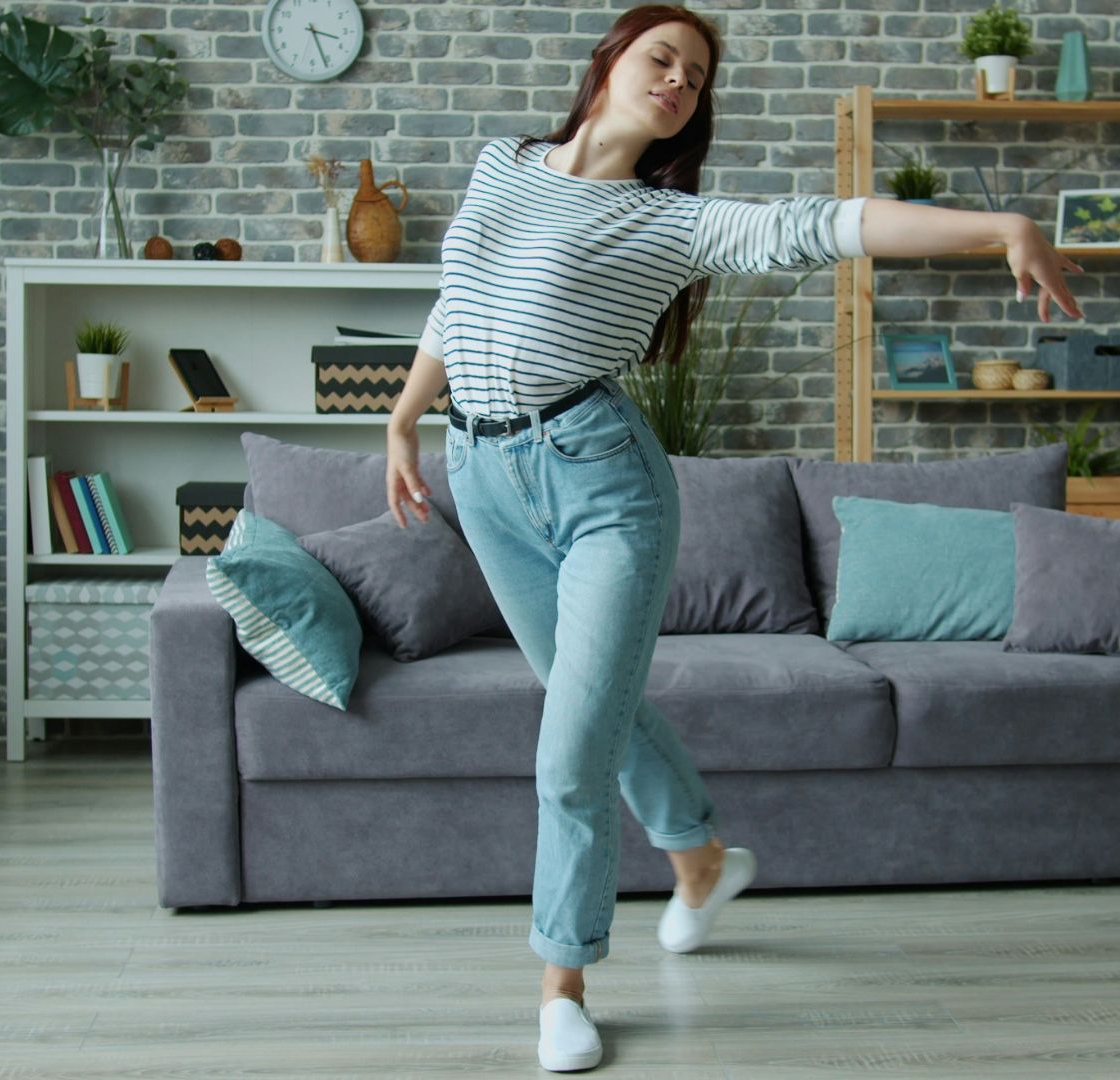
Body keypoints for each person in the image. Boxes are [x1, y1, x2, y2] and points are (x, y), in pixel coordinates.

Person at [383, 4, 1082, 1071]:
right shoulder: (504, 163)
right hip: (481, 476)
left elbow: (826, 223)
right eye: (661, 57)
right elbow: (458, 300)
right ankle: (702, 858)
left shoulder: (671, 223)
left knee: (569, 752)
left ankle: (562, 986)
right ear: (610, 61)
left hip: (602, 482)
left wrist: (999, 228)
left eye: (697, 77)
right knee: (592, 702)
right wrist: (402, 416)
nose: (678, 80)